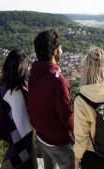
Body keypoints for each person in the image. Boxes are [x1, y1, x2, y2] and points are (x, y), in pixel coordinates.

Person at [27, 29, 74, 169]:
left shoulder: (34, 72)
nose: (61, 49)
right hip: (58, 142)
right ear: (54, 51)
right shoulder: (58, 81)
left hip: (42, 137)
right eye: (60, 47)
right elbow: (66, 115)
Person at [0, 49, 38, 169]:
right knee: (24, 160)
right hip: (24, 137)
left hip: (12, 134)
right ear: (22, 68)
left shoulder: (5, 85)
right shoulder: (20, 92)